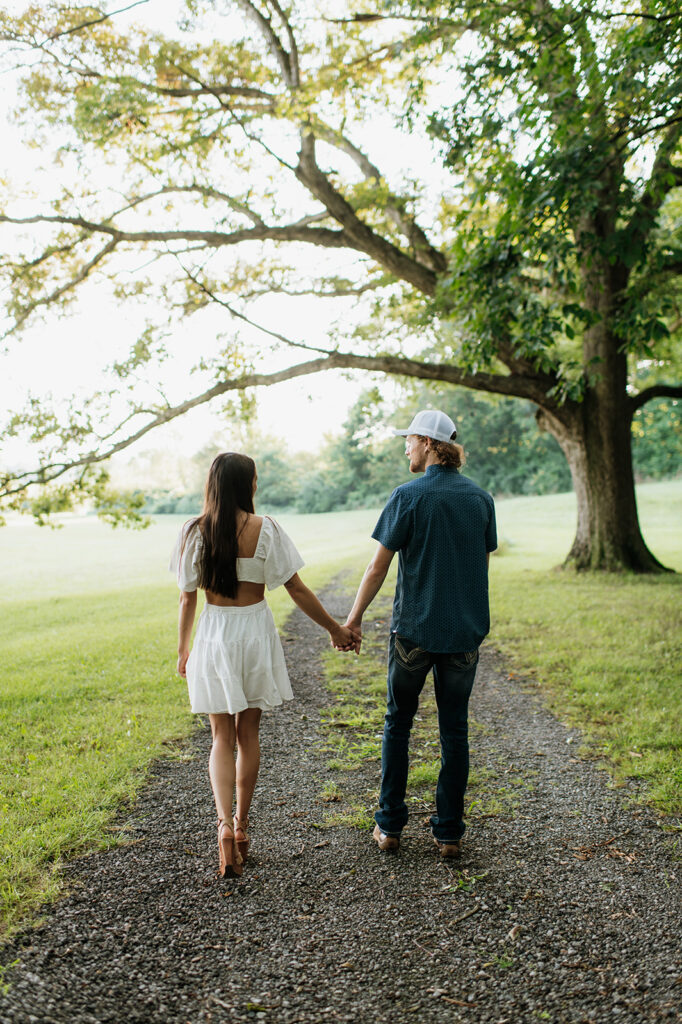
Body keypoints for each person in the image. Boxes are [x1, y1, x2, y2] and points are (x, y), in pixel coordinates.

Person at [170, 452, 356, 877]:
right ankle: (241, 827)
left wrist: (184, 650)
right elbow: (295, 586)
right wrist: (333, 628)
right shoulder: (266, 528)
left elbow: (186, 597)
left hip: (215, 634)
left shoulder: (193, 532)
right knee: (247, 733)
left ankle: (220, 825)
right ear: (247, 485)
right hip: (254, 631)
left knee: (220, 737)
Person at [344, 409, 497, 858]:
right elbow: (480, 569)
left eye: (409, 440)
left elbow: (378, 566)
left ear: (429, 444)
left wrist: (352, 621)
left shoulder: (408, 496)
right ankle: (449, 833)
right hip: (463, 636)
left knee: (398, 725)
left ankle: (389, 827)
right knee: (455, 731)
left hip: (413, 632)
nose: (405, 447)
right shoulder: (481, 500)